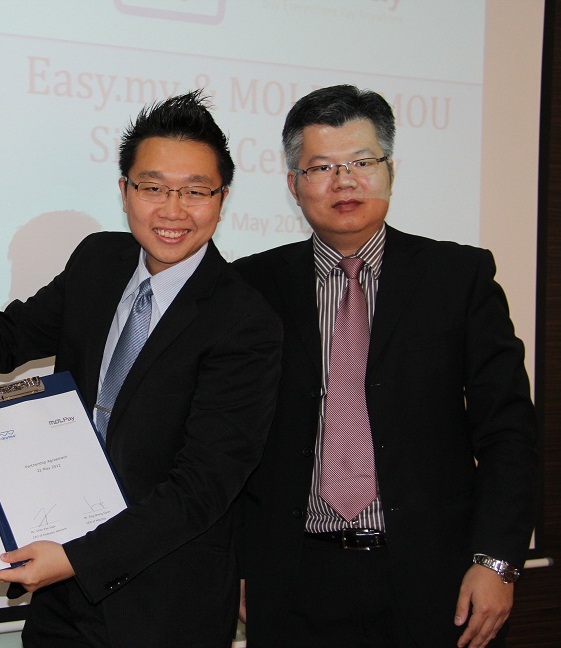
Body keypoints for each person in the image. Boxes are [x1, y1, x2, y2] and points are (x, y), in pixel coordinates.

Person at [0, 90, 282, 647]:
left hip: (166, 604)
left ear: (221, 200)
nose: (172, 210)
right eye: (152, 187)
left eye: (195, 191)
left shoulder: (244, 320)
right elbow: (13, 332)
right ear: (124, 191)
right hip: (62, 597)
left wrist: (78, 558)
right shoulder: (99, 260)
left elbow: (203, 486)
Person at [232, 84, 538, 648]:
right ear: (294, 184)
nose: (344, 181)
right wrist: (241, 564)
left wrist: (497, 561)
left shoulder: (458, 277)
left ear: (390, 172)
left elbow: (508, 431)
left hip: (437, 578)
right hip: (296, 579)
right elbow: (231, 440)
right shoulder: (251, 286)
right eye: (322, 167)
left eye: (362, 162)